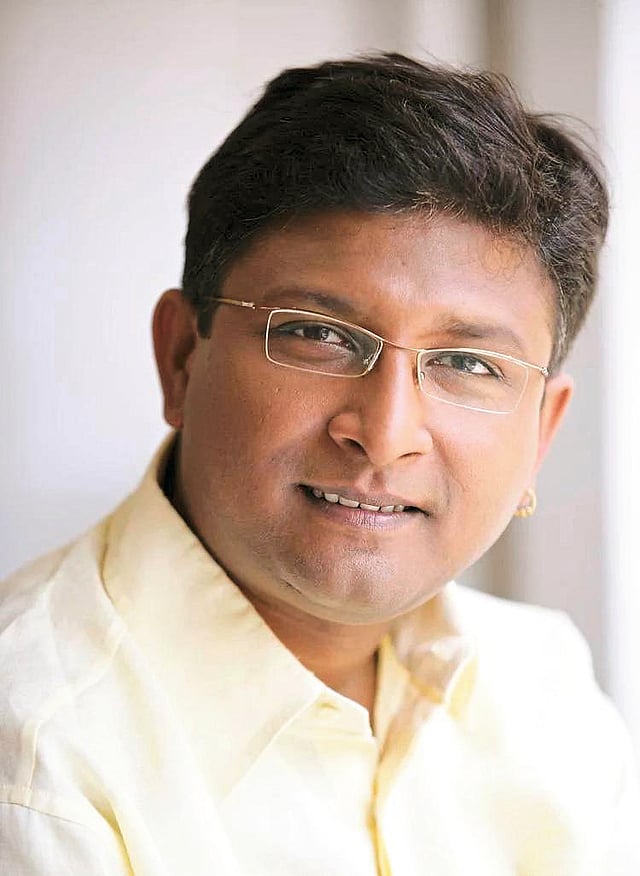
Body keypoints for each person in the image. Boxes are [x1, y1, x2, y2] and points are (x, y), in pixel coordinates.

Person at [1, 52, 638, 876]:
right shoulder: (37, 758)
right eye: (319, 334)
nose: (386, 432)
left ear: (541, 434)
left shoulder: (544, 683)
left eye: (468, 363)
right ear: (182, 358)